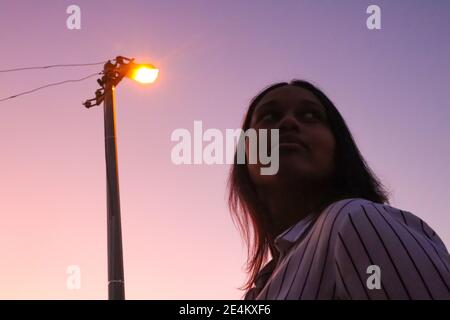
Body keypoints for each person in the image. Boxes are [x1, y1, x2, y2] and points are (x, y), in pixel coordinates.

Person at [227, 80, 450, 300]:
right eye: (268, 117)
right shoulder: (260, 288)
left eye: (310, 115)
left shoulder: (356, 220)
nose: (288, 123)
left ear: (338, 147)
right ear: (245, 154)